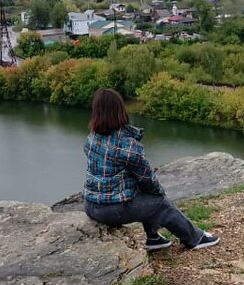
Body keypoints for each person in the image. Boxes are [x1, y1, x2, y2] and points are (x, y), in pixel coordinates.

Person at [83, 88, 220, 251]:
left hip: (90, 205)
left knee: (143, 194)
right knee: (159, 202)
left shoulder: (92, 138)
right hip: (111, 211)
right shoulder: (127, 145)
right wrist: (161, 194)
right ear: (120, 110)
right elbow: (147, 179)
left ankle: (154, 238)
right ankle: (195, 238)